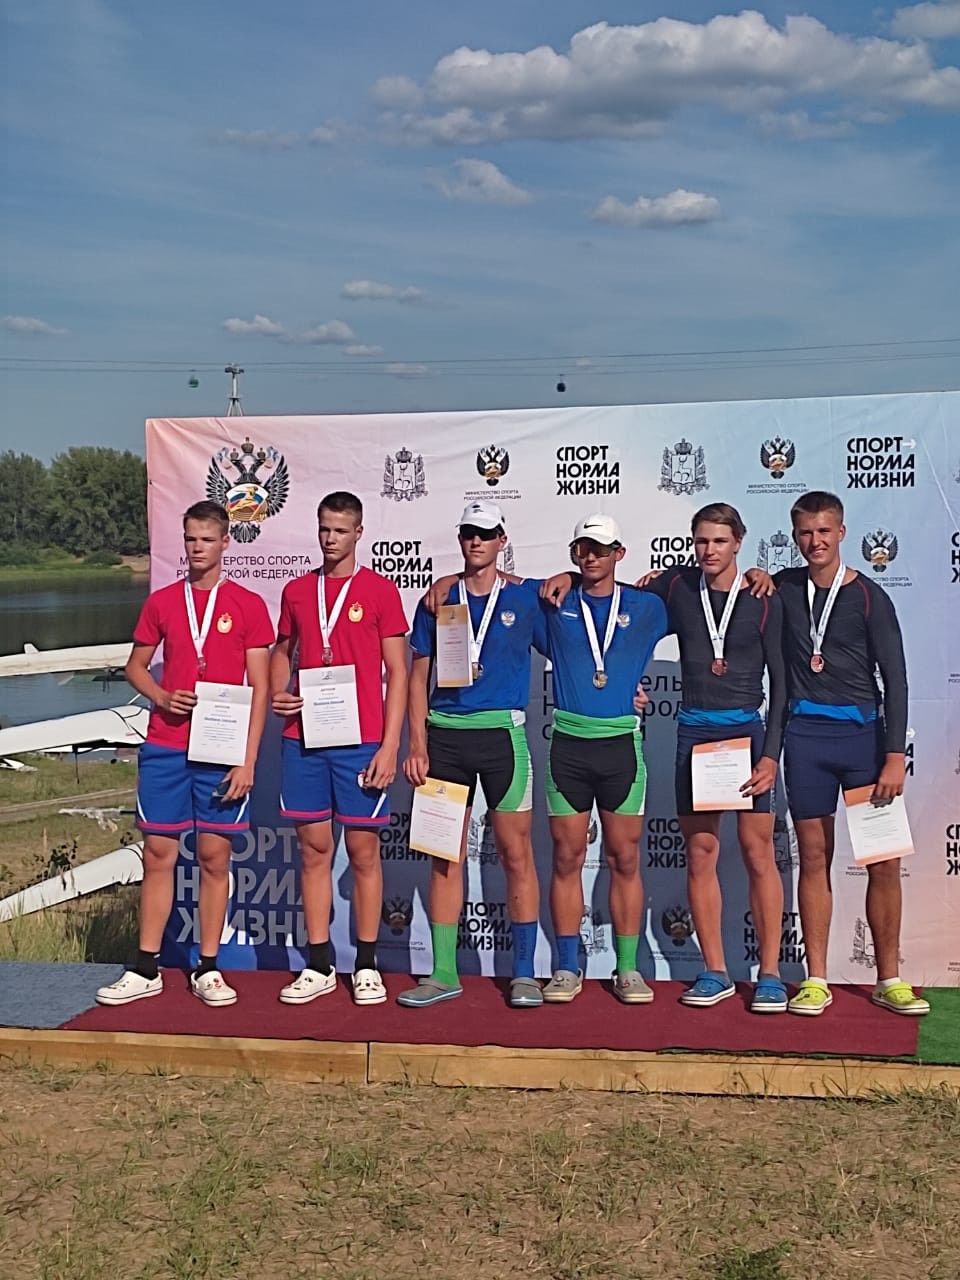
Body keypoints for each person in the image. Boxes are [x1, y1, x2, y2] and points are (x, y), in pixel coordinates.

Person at [96, 500, 274, 1008]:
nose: (197, 548)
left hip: (221, 749)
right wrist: (160, 695)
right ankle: (145, 967)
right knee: (159, 854)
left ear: (226, 543)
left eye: (207, 539)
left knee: (215, 857)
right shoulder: (163, 602)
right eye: (190, 539)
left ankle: (209, 966)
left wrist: (248, 760)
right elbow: (135, 667)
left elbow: (261, 688)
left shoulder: (248, 605)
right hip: (167, 745)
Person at [776, 491, 928, 1017]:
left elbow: (897, 680)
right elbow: (716, 579)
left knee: (882, 862)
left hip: (864, 743)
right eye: (805, 532)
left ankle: (889, 979)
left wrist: (894, 754)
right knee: (814, 857)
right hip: (806, 742)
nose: (814, 541)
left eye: (824, 531)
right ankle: (816, 978)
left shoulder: (869, 597)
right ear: (795, 536)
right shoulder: (783, 588)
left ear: (841, 532)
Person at [640, 503, 788, 1013]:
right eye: (701, 541)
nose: (709, 550)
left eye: (720, 541)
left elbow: (782, 684)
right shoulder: (678, 587)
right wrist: (570, 578)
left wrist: (771, 755)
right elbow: (616, 609)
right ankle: (715, 971)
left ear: (739, 543)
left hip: (747, 732)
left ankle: (770, 974)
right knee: (701, 853)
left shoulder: (764, 596)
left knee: (757, 852)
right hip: (695, 733)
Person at [397, 500, 544, 1009]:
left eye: (485, 533)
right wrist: (417, 743)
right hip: (445, 738)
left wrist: (628, 687)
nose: (476, 542)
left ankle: (524, 973)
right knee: (443, 856)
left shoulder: (525, 597)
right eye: (468, 533)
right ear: (460, 538)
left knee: (516, 854)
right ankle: (443, 973)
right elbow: (417, 675)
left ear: (502, 539)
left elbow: (574, 639)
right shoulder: (438, 598)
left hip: (503, 737)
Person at [270, 491, 408, 1007]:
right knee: (313, 851)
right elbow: (283, 650)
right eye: (324, 528)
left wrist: (390, 746)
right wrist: (280, 690)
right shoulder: (296, 591)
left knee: (363, 852)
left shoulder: (380, 591)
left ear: (358, 533)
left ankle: (366, 963)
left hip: (362, 740)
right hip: (305, 738)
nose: (330, 538)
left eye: (340, 530)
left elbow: (398, 673)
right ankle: (319, 962)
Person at [537, 515, 669, 1004]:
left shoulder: (647, 606)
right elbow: (490, 583)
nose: (592, 556)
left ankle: (627, 968)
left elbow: (706, 586)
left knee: (625, 858)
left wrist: (759, 575)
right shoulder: (554, 601)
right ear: (574, 553)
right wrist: (443, 582)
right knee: (566, 858)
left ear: (620, 553)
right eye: (583, 549)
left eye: (601, 548)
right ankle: (566, 966)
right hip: (568, 746)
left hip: (621, 748)